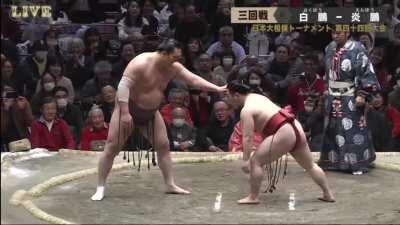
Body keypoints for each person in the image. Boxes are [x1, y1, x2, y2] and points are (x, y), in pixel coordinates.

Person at [91, 39, 226, 201]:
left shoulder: (172, 67)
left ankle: (170, 184)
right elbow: (122, 87)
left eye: (178, 58)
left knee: (163, 145)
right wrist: (125, 113)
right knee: (112, 148)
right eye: (174, 57)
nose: (177, 62)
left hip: (151, 113)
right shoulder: (140, 63)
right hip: (128, 110)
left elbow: (193, 80)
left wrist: (217, 88)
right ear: (163, 54)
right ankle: (100, 187)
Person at [226, 80, 335, 204]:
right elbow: (266, 125)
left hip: (283, 131)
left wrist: (246, 159)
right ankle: (328, 194)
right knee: (310, 165)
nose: (227, 99)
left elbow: (247, 137)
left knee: (255, 162)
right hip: (294, 126)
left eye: (228, 96)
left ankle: (253, 197)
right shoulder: (258, 97)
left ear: (236, 95)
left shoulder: (246, 110)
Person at [319, 31, 380, 175]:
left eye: (338, 33)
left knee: (352, 130)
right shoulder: (329, 48)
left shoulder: (358, 48)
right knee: (333, 129)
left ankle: (356, 163)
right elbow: (328, 72)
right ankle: (334, 162)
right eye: (333, 33)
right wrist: (326, 88)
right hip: (332, 95)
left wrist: (362, 94)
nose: (335, 36)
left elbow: (366, 71)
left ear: (346, 32)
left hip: (349, 96)